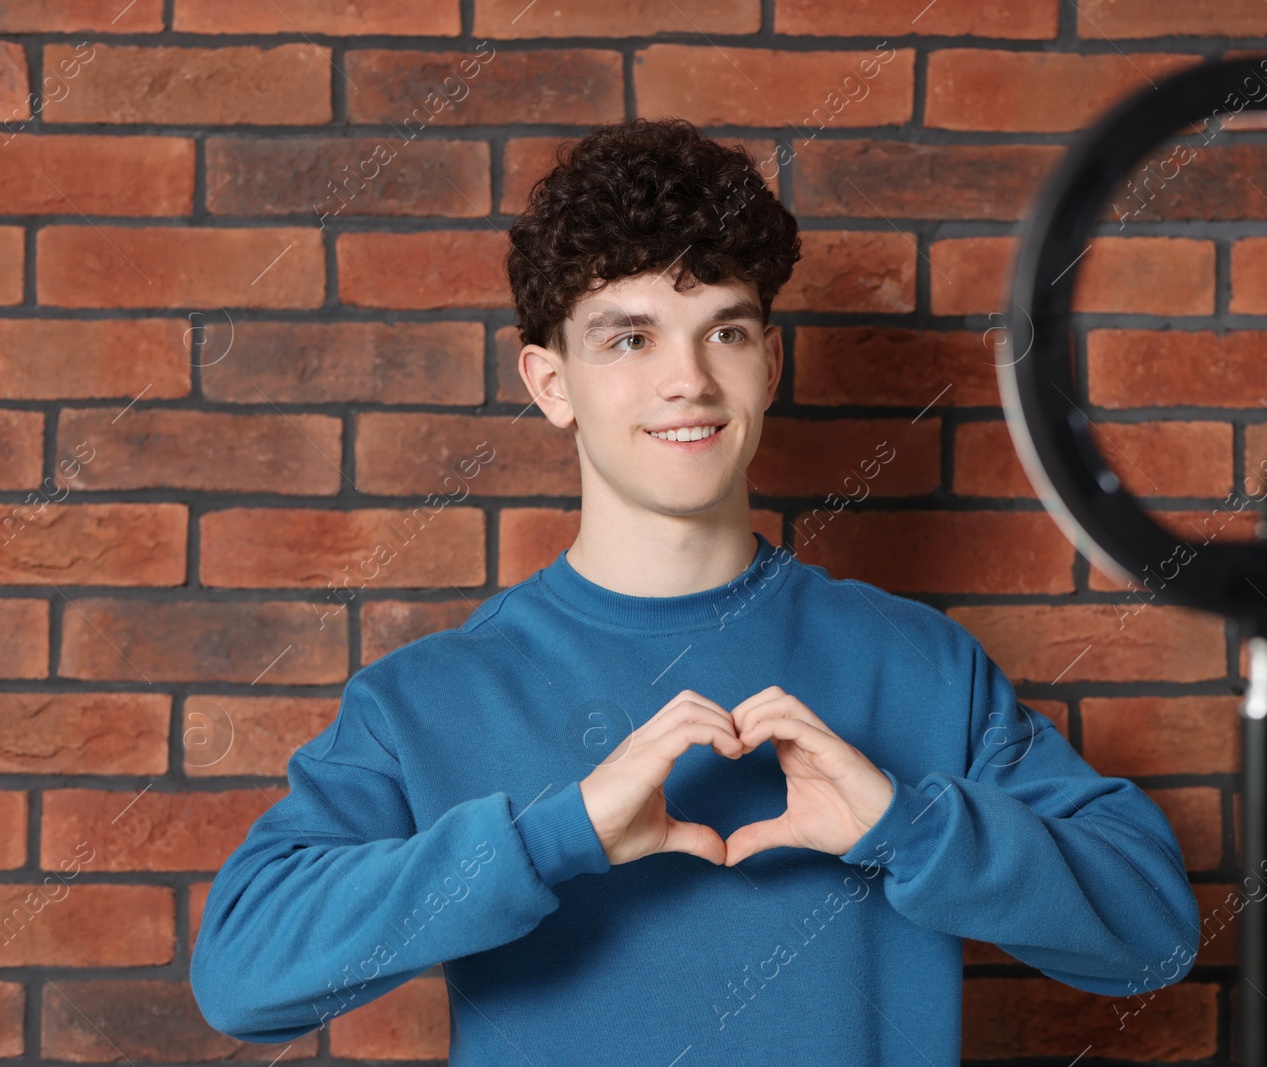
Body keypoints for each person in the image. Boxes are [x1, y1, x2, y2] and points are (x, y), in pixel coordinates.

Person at [190, 116, 1201, 1065]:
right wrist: (557, 835)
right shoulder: (423, 699)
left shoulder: (922, 665)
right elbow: (242, 976)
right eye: (629, 338)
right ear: (550, 383)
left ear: (767, 361)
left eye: (723, 331)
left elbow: (1151, 935)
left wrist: (909, 826)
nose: (688, 379)